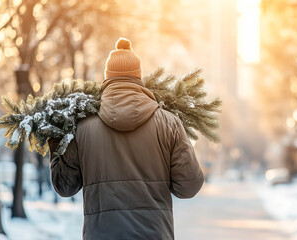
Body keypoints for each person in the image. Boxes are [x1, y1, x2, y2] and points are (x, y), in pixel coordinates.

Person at [48, 37, 204, 240]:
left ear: (107, 80)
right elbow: (189, 187)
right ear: (139, 79)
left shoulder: (82, 128)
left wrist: (54, 141)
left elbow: (65, 187)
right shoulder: (169, 124)